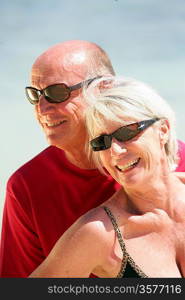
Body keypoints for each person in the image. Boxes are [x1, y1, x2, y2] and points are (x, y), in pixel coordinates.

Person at [0, 41, 185, 278]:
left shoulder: (175, 157)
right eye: (35, 96)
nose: (42, 108)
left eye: (57, 93)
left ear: (104, 87)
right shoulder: (29, 186)